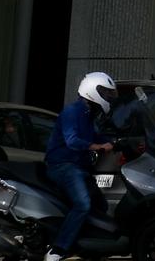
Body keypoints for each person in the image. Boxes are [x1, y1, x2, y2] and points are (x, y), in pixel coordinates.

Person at [42, 71, 118, 261]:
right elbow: (72, 140)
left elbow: (95, 136)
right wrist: (98, 146)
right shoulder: (72, 111)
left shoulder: (88, 114)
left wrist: (118, 142)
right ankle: (58, 249)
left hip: (79, 168)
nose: (108, 97)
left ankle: (85, 246)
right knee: (83, 204)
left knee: (99, 204)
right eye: (105, 93)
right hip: (63, 165)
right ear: (93, 91)